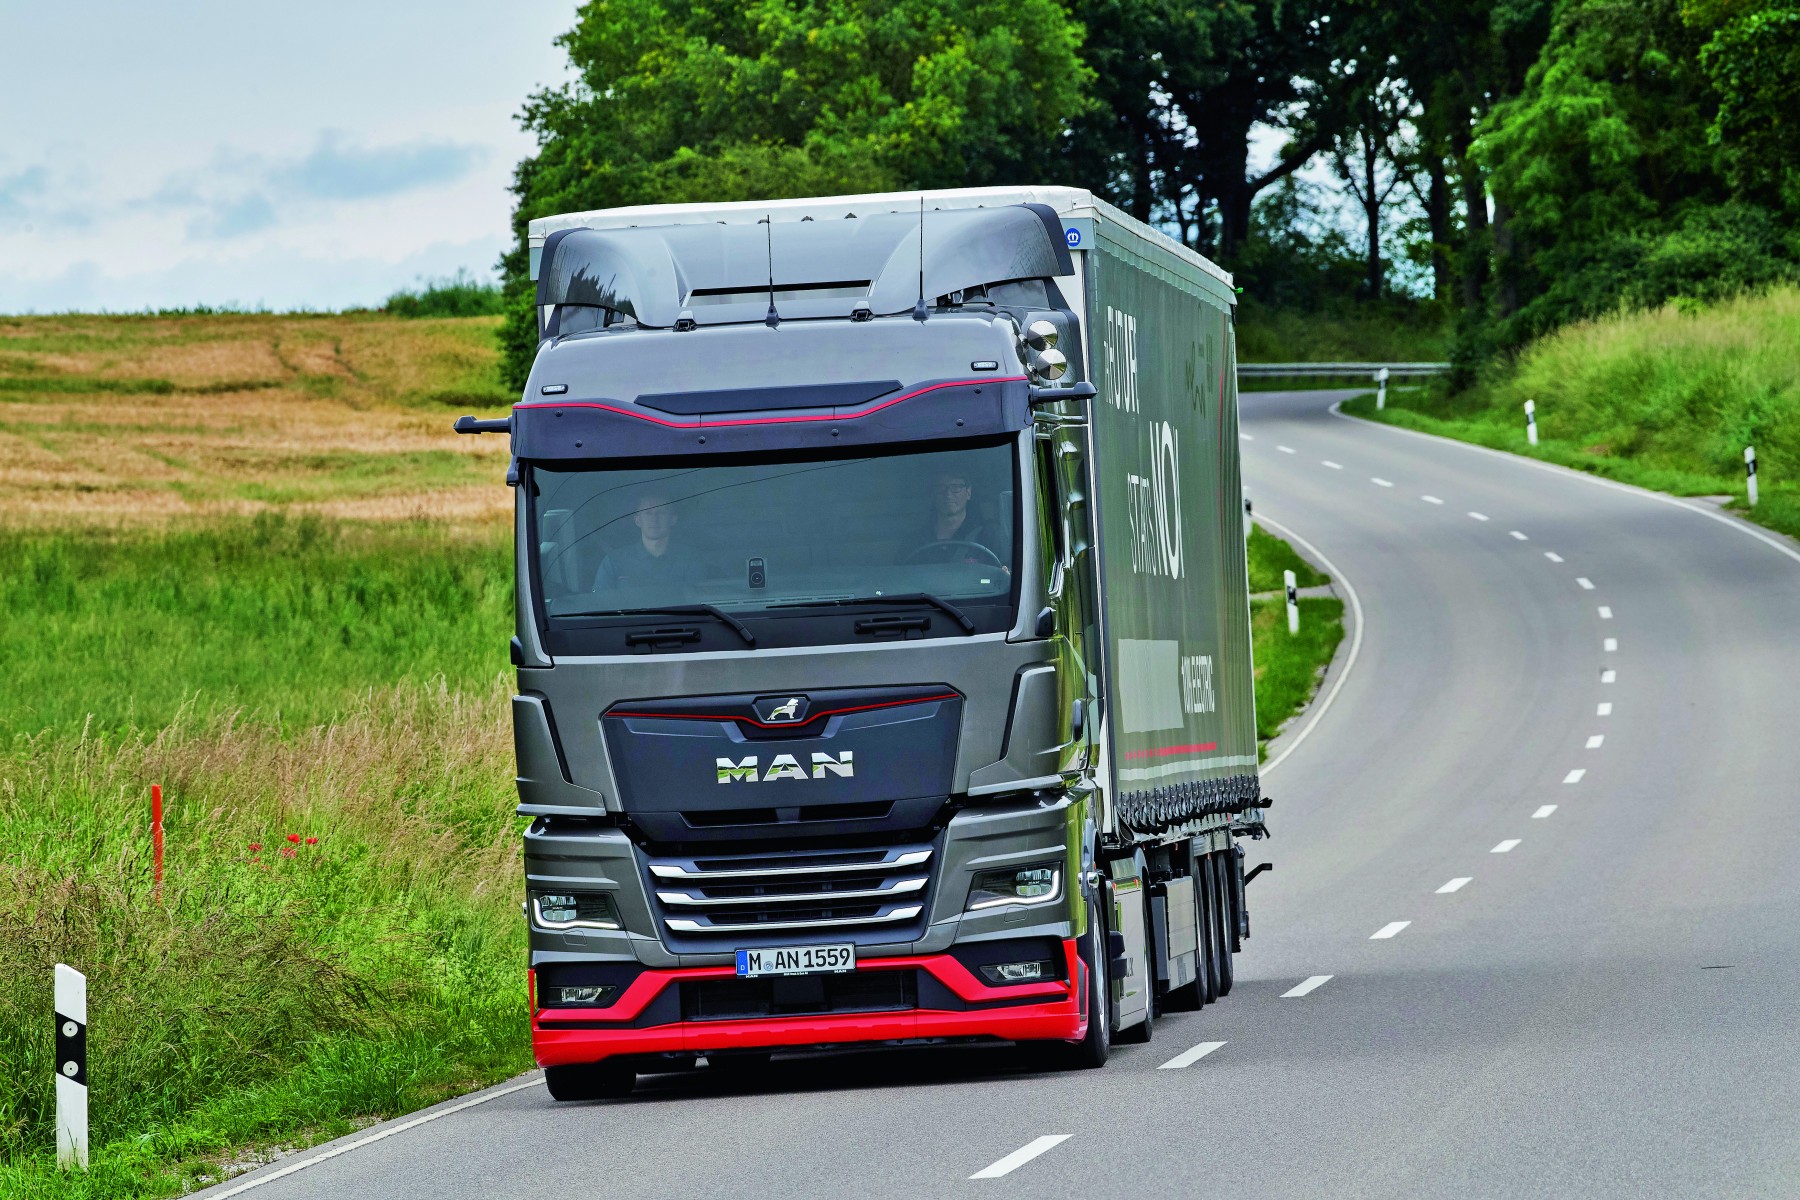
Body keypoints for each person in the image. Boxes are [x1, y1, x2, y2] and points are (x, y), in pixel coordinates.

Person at [592, 488, 702, 591]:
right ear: (638, 520)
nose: (654, 519)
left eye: (661, 512)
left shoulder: (690, 559)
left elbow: (697, 602)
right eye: (648, 513)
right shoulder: (613, 562)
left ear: (673, 519)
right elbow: (599, 604)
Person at [907, 470, 1007, 566]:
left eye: (955, 487)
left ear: (968, 492)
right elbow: (900, 577)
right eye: (940, 488)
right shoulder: (914, 541)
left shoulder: (989, 535)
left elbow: (1003, 576)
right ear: (932, 494)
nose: (948, 495)